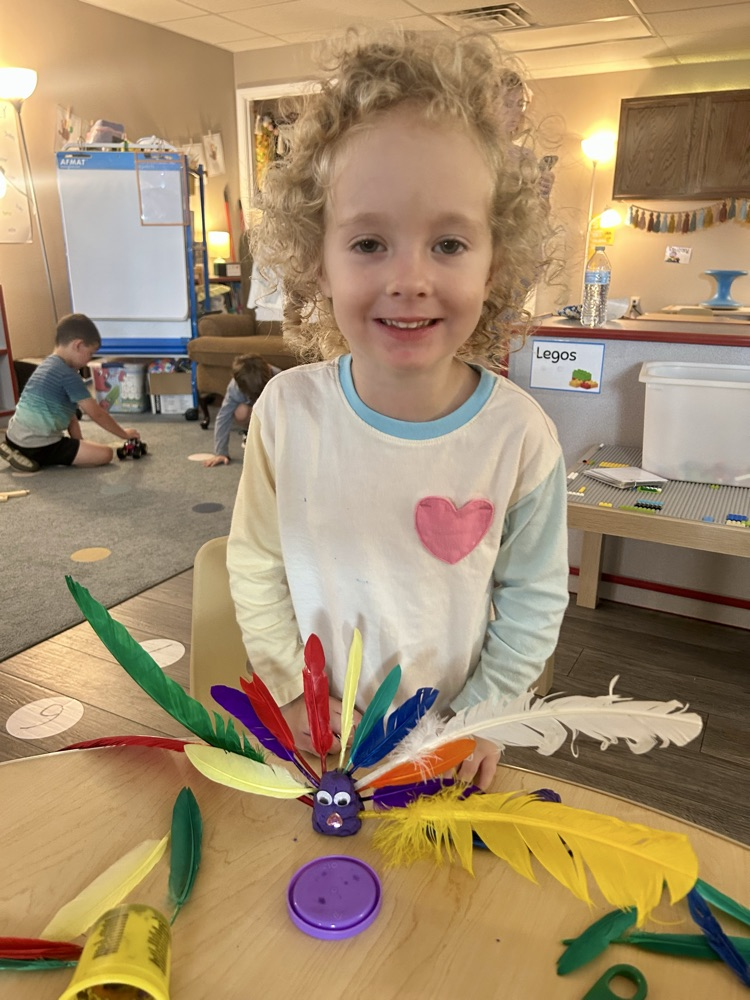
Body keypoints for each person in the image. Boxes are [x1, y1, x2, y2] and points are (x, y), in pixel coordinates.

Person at [226, 29, 569, 790]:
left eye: (448, 244)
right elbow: (254, 562)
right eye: (370, 242)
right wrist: (291, 689)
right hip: (316, 738)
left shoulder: (520, 438)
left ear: (496, 261)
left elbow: (533, 597)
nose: (409, 278)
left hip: (449, 747)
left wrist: (480, 719)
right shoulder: (285, 413)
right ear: (317, 256)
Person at [0, 313, 140, 471]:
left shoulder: (47, 365)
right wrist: (124, 434)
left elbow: (71, 417)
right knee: (105, 454)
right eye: (90, 354)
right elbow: (97, 414)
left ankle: (15, 450)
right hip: (40, 445)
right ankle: (32, 456)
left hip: (13, 436)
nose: (89, 360)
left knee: (73, 423)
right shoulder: (68, 375)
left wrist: (79, 445)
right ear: (78, 345)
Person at [203, 354, 279, 467]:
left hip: (275, 413)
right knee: (240, 411)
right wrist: (221, 452)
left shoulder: (279, 379)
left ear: (268, 368)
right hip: (252, 411)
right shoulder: (234, 388)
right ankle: (249, 432)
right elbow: (223, 417)